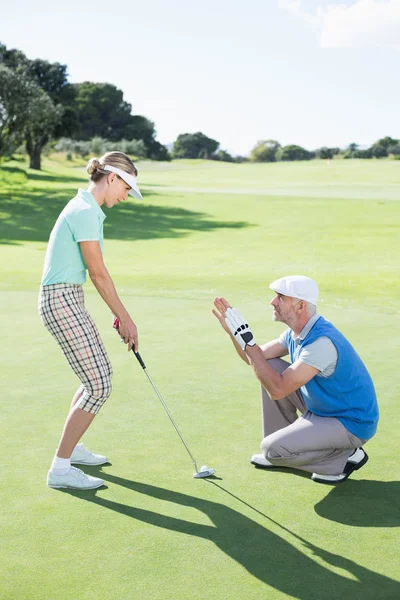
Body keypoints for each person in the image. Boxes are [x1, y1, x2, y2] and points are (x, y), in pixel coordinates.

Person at [39, 151, 142, 490]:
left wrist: (119, 314)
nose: (126, 196)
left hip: (68, 297)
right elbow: (98, 274)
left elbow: (93, 276)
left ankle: (73, 450)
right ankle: (61, 468)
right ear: (112, 178)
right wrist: (125, 318)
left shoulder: (88, 210)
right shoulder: (84, 212)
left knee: (92, 378)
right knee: (99, 383)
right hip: (61, 300)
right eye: (126, 188)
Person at [213, 275, 379, 484]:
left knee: (272, 449)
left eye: (281, 297)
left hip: (350, 422)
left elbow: (278, 390)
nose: (272, 302)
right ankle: (279, 443)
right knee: (270, 365)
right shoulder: (295, 333)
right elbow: (254, 359)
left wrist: (249, 341)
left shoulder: (321, 343)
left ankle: (345, 457)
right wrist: (236, 335)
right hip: (325, 409)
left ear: (300, 306)